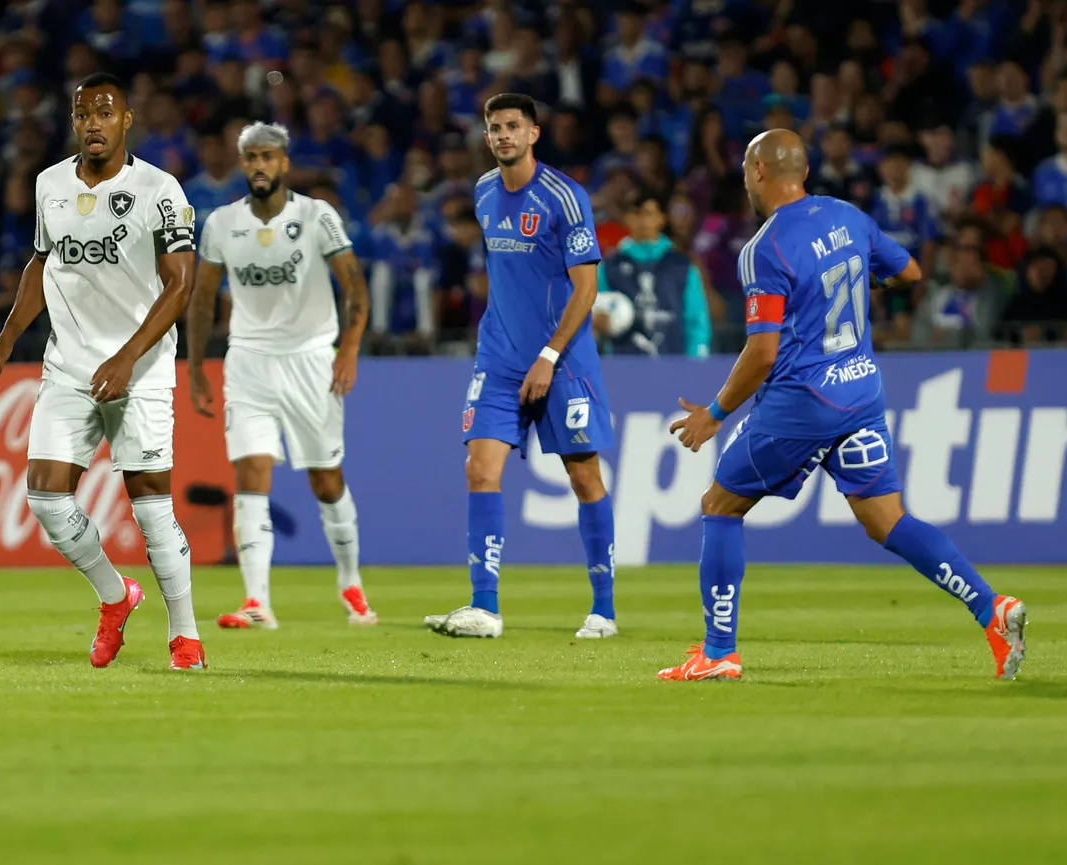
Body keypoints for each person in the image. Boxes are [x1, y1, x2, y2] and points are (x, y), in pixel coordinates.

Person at [659, 129, 1027, 682]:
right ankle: (990, 609)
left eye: (743, 168)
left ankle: (717, 653)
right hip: (860, 393)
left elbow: (763, 352)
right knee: (887, 519)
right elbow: (909, 273)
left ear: (759, 172)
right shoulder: (846, 216)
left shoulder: (766, 248)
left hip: (801, 403)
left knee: (720, 505)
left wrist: (714, 412)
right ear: (802, 171)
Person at [0, 73, 205, 671]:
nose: (93, 124)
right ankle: (115, 596)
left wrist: (129, 356)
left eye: (105, 113)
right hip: (70, 365)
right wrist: (5, 341)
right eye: (83, 115)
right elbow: (41, 262)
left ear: (128, 119)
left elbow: (182, 284)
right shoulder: (49, 183)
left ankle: (185, 637)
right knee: (46, 499)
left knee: (151, 507)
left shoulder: (161, 190)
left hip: (143, 368)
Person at [425, 93, 616, 640]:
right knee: (479, 470)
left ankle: (602, 611)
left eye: (513, 126)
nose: (503, 135)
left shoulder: (565, 196)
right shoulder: (484, 192)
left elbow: (587, 288)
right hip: (500, 359)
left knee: (584, 478)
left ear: (534, 133)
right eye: (494, 128)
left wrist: (550, 356)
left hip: (564, 362)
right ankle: (484, 609)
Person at [187, 121, 378, 630]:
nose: (258, 166)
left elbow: (356, 288)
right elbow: (203, 297)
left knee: (325, 479)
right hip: (248, 360)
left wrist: (349, 350)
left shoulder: (318, 217)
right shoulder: (221, 224)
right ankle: (257, 602)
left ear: (284, 163)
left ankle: (351, 582)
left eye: (267, 157)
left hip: (312, 359)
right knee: (250, 472)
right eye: (250, 158)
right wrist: (197, 368)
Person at [594, 186, 711, 357]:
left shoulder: (682, 266)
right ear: (627, 218)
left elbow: (696, 319)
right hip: (621, 366)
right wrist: (596, 320)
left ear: (661, 218)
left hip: (675, 366)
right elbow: (594, 310)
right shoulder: (608, 267)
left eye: (648, 213)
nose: (642, 221)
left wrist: (697, 359)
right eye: (636, 213)